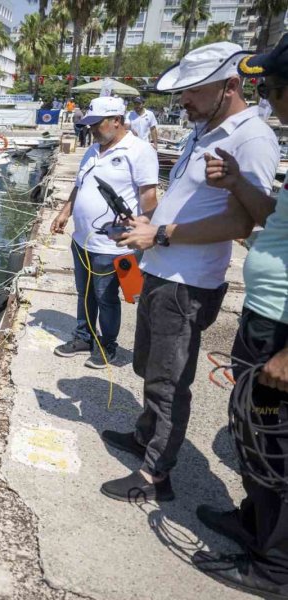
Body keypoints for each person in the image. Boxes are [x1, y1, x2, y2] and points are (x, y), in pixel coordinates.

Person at [105, 42, 280, 502]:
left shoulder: (252, 138)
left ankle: (155, 475)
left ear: (229, 86)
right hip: (162, 269)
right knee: (148, 366)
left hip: (188, 282)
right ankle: (146, 435)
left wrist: (160, 236)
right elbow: (190, 198)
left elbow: (244, 221)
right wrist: (150, 225)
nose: (184, 100)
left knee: (169, 379)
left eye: (194, 91)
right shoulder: (204, 129)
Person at [188, 34, 288, 598]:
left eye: (272, 88)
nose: (267, 99)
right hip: (264, 319)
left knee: (277, 442)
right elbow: (271, 216)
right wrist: (240, 184)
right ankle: (254, 519)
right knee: (253, 428)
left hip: (282, 335)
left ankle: (274, 568)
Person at [50, 96, 158, 369]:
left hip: (112, 245)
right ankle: (83, 336)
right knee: (83, 292)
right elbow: (79, 185)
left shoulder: (139, 150)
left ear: (117, 121)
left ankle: (107, 344)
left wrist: (143, 229)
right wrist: (65, 212)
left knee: (106, 296)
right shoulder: (93, 150)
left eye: (97, 124)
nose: (92, 129)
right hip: (82, 239)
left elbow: (149, 198)